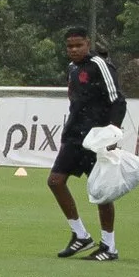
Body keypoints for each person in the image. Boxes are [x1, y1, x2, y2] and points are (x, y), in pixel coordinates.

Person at [49, 27, 126, 260]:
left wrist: (113, 133)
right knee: (55, 181)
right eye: (69, 46)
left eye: (78, 45)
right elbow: (75, 105)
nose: (73, 50)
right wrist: (67, 135)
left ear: (87, 43)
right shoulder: (72, 69)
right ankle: (80, 235)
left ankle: (109, 246)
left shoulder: (99, 65)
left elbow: (118, 100)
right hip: (75, 136)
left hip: (98, 138)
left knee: (102, 191)